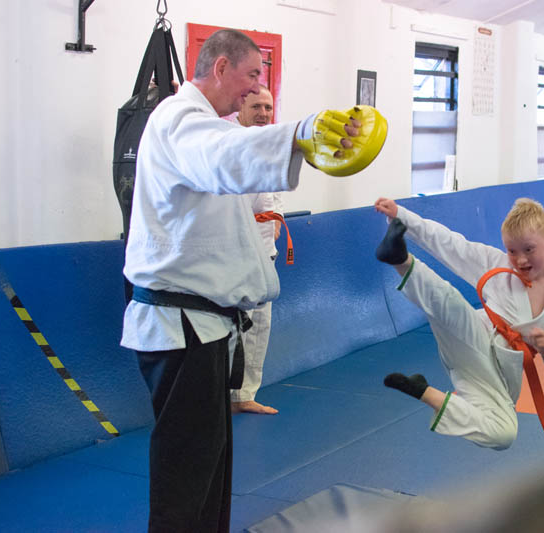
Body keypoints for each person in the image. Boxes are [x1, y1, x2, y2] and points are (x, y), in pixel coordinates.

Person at [121, 29, 363, 532]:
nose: (256, 88)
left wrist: (307, 146)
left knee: (208, 471)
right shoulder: (179, 119)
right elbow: (222, 155)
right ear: (221, 67)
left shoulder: (209, 127)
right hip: (180, 327)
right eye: (253, 74)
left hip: (202, 327)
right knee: (185, 475)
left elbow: (234, 164)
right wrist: (299, 133)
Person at [373, 197, 544, 449]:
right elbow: (450, 245)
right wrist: (402, 215)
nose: (519, 260)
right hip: (471, 338)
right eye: (512, 251)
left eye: (529, 249)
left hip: (495, 376)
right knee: (450, 303)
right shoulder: (497, 264)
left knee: (504, 434)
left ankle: (423, 391)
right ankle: (400, 259)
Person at [232, 85, 281, 415]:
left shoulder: (270, 146)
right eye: (257, 107)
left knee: (259, 328)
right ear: (240, 106)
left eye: (268, 107)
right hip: (236, 257)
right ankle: (220, 395)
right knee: (233, 330)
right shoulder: (230, 145)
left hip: (266, 253)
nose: (264, 113)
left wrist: (275, 221)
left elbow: (272, 196)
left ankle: (244, 395)